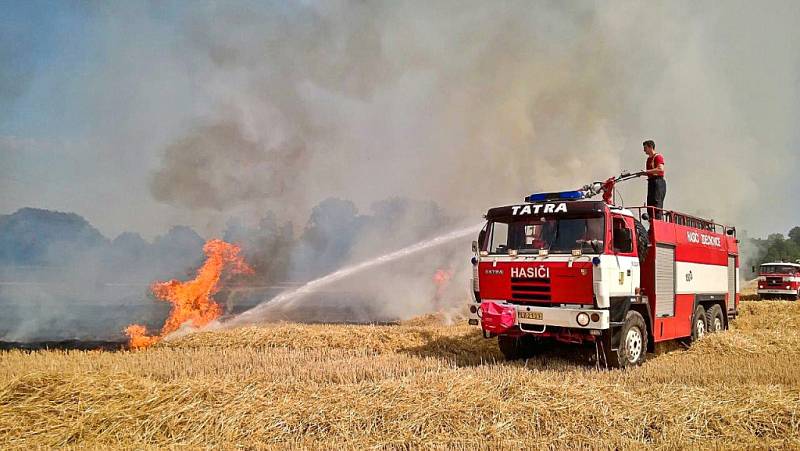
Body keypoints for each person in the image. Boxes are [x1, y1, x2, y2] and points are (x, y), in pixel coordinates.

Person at [642, 139, 666, 219]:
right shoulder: (648, 160)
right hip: (651, 182)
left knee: (656, 203)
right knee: (650, 203)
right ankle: (651, 221)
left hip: (658, 182)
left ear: (651, 147)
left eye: (645, 148)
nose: (644, 150)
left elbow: (660, 170)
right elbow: (650, 173)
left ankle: (658, 220)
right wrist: (643, 173)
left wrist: (646, 171)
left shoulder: (658, 157)